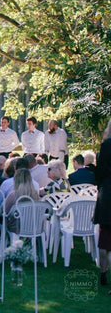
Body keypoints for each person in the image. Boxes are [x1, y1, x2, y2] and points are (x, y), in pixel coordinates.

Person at [93, 119, 111, 289]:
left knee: (105, 237)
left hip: (107, 193)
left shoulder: (106, 146)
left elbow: (100, 172)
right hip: (107, 190)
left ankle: (104, 273)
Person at [5, 169, 39, 234]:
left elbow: (5, 212)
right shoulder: (35, 194)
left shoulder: (13, 195)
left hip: (15, 228)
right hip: (32, 227)